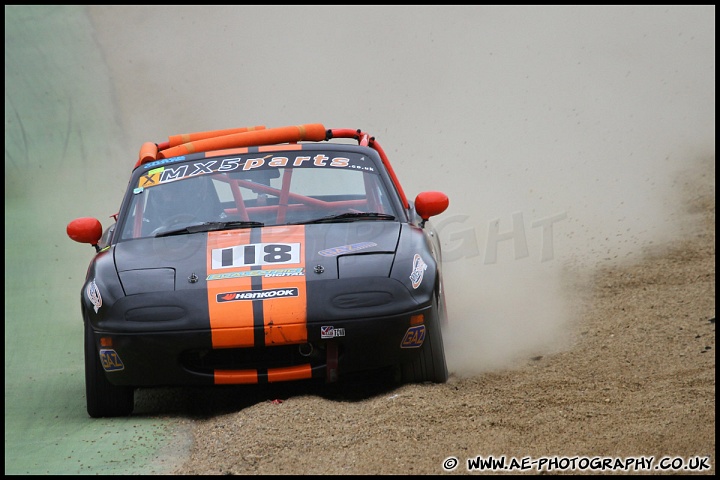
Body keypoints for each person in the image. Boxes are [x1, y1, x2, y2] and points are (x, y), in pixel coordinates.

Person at [142, 175, 226, 235]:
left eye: (172, 191)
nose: (167, 198)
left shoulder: (217, 221)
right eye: (161, 193)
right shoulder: (145, 229)